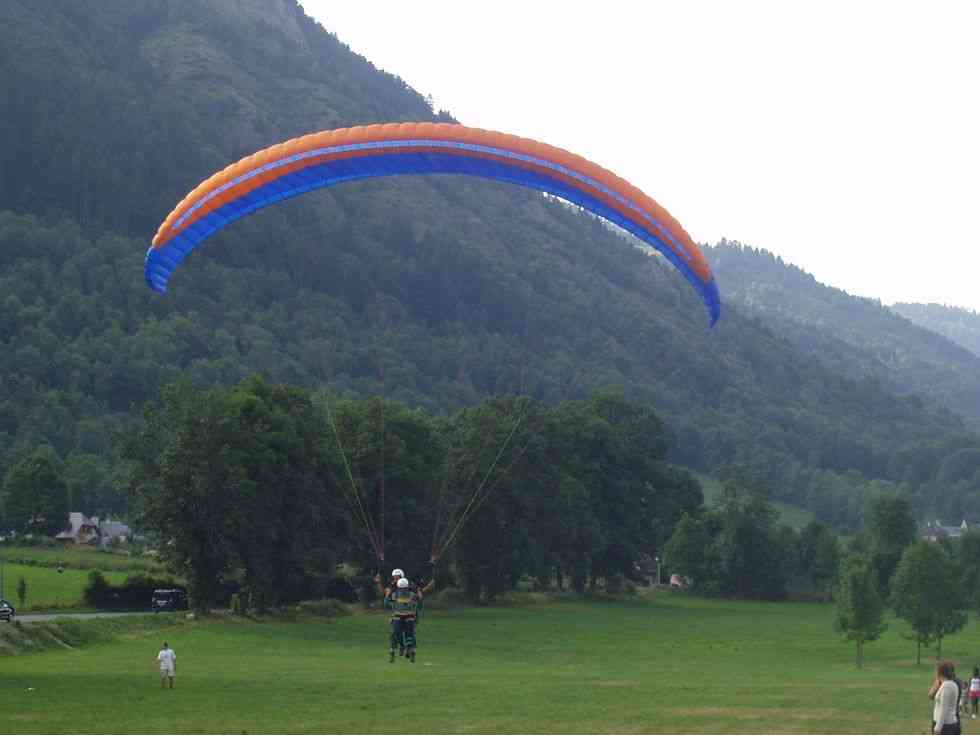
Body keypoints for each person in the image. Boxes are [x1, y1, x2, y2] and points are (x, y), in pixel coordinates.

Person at [929, 660, 959, 735]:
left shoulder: (946, 686)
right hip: (946, 724)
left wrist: (938, 728)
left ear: (940, 672)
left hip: (945, 725)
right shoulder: (950, 684)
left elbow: (944, 708)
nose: (935, 673)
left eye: (936, 671)